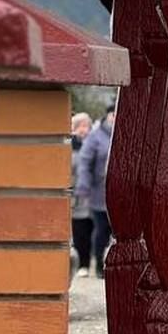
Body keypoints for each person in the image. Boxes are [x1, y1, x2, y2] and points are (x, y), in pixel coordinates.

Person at [76, 105, 115, 279]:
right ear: (108, 116)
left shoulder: (125, 133)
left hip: (120, 194)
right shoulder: (95, 136)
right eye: (113, 114)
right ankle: (99, 265)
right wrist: (83, 186)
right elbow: (84, 163)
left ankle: (115, 265)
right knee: (101, 230)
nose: (115, 117)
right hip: (99, 194)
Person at [70, 112, 94, 277]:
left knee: (93, 230)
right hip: (76, 197)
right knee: (79, 231)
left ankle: (92, 261)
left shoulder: (94, 145)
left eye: (86, 126)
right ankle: (83, 264)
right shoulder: (69, 146)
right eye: (80, 126)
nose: (83, 130)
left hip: (93, 197)